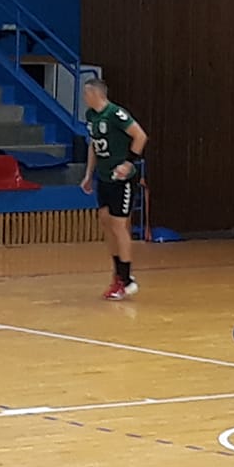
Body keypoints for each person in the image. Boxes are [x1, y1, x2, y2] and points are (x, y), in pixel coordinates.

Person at [79, 77, 149, 301]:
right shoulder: (91, 116)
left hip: (122, 179)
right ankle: (118, 274)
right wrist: (88, 174)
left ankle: (126, 279)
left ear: (95, 94)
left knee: (119, 225)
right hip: (104, 177)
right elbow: (94, 145)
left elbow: (140, 136)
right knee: (105, 221)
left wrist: (128, 163)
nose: (83, 97)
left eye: (86, 93)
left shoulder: (115, 114)